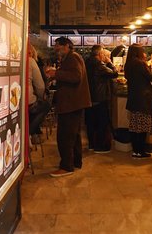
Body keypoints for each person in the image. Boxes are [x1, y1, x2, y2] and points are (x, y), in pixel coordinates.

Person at [46, 37, 91, 177]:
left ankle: (66, 167)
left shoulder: (73, 57)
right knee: (74, 135)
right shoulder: (71, 58)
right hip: (74, 103)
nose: (56, 49)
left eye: (58, 46)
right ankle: (75, 162)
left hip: (71, 103)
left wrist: (56, 74)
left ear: (67, 46)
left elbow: (76, 76)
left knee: (64, 136)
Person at [124, 44, 152, 158]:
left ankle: (135, 150)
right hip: (143, 98)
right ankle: (140, 151)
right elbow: (151, 77)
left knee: (134, 126)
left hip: (134, 98)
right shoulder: (140, 63)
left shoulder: (128, 64)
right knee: (142, 127)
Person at [85, 45, 118, 153]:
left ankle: (91, 144)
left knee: (90, 122)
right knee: (101, 122)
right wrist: (109, 62)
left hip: (89, 97)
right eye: (103, 54)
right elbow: (115, 74)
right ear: (99, 54)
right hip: (100, 97)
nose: (104, 56)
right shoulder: (99, 65)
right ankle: (100, 146)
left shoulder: (87, 62)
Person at [28, 44, 51, 137]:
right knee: (46, 105)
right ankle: (29, 132)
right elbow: (40, 85)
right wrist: (41, 96)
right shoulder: (31, 61)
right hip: (28, 101)